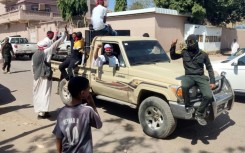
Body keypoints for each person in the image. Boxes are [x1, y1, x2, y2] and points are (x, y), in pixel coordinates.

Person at [170, 34, 216, 126]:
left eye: (190, 42)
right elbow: (173, 57)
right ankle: (188, 107)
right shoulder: (184, 52)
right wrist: (173, 46)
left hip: (200, 76)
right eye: (187, 42)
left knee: (208, 95)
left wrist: (212, 81)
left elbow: (209, 68)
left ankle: (199, 114)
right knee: (184, 86)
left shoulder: (203, 54)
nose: (189, 44)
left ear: (196, 42)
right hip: (189, 76)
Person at [53, 76, 102, 153]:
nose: (89, 92)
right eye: (88, 90)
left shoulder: (61, 112)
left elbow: (58, 137)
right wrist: (92, 103)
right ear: (82, 93)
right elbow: (99, 125)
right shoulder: (88, 110)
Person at [32, 26, 68, 119]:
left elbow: (32, 67)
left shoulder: (35, 54)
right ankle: (42, 113)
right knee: (45, 94)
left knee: (38, 94)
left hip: (37, 77)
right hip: (44, 76)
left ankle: (42, 112)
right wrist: (64, 35)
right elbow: (55, 44)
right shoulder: (46, 52)